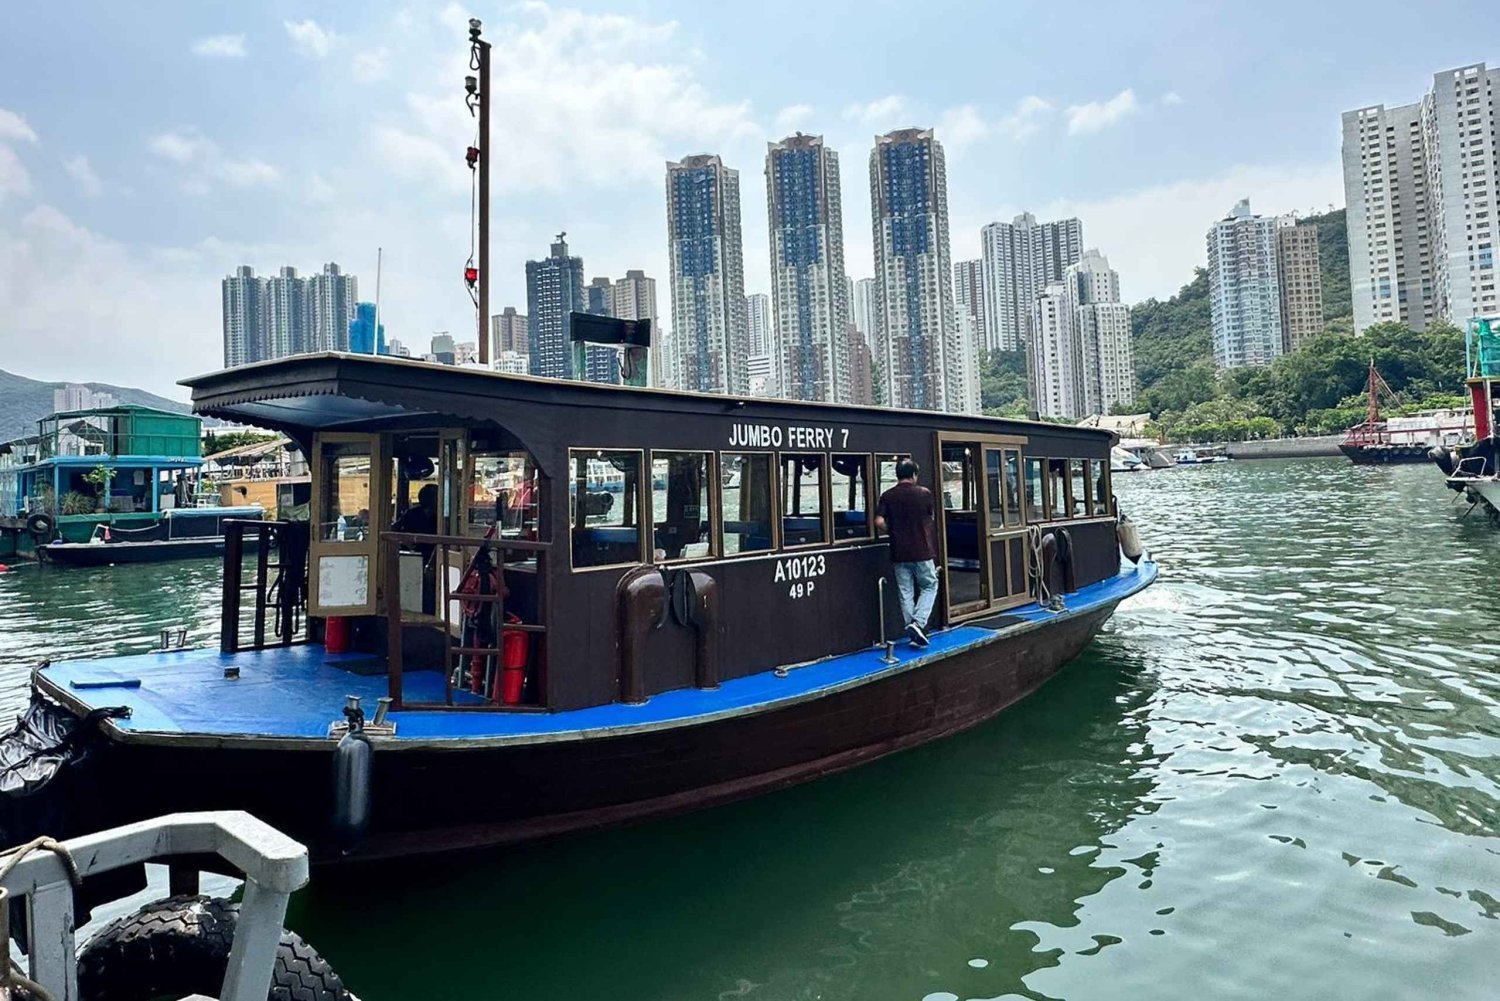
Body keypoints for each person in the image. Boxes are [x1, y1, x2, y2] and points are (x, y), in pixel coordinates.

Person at [875, 459, 937, 647]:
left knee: (906, 591)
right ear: (914, 475)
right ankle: (918, 623)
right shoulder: (924, 494)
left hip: (898, 551)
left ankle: (913, 629)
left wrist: (892, 531)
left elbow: (878, 521)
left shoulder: (887, 496)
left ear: (897, 475)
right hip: (922, 550)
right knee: (930, 585)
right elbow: (930, 518)